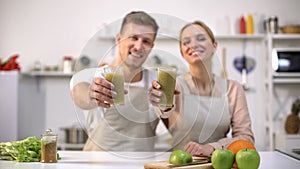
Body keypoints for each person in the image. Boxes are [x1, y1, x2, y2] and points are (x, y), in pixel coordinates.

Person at [149, 21, 254, 156]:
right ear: (182, 52)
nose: (193, 45)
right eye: (186, 41)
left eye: (201, 38)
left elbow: (246, 138)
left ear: (214, 45)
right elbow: (164, 111)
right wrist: (160, 102)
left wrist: (213, 148)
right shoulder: (174, 85)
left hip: (218, 164)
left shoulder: (233, 89)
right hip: (179, 164)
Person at [70, 11, 160, 151]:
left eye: (146, 41)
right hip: (97, 165)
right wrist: (91, 94)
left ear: (151, 47)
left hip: (140, 165)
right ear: (118, 39)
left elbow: (173, 121)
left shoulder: (156, 81)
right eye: (133, 38)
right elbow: (78, 93)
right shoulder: (92, 76)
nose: (138, 46)